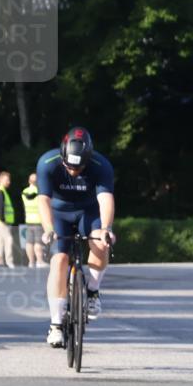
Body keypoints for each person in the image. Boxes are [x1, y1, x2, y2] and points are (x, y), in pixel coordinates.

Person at [36, 127, 116, 347]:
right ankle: (56, 325)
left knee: (100, 242)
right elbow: (43, 199)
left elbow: (106, 199)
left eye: (78, 167)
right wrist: (48, 228)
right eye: (68, 166)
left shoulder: (101, 166)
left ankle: (92, 291)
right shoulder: (47, 162)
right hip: (59, 213)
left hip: (88, 212)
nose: (72, 171)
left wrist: (107, 228)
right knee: (59, 260)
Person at [21, 173, 48, 267]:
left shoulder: (24, 192)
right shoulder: (40, 191)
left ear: (29, 181)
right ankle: (39, 261)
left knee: (29, 242)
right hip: (38, 220)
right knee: (38, 242)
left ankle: (31, 262)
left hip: (28, 220)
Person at [0, 171, 17, 268]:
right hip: (2, 221)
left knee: (1, 241)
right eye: (7, 180)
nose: (9, 182)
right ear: (0, 180)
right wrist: (2, 219)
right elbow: (0, 206)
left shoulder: (0, 190)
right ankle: (9, 262)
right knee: (9, 239)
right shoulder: (0, 191)